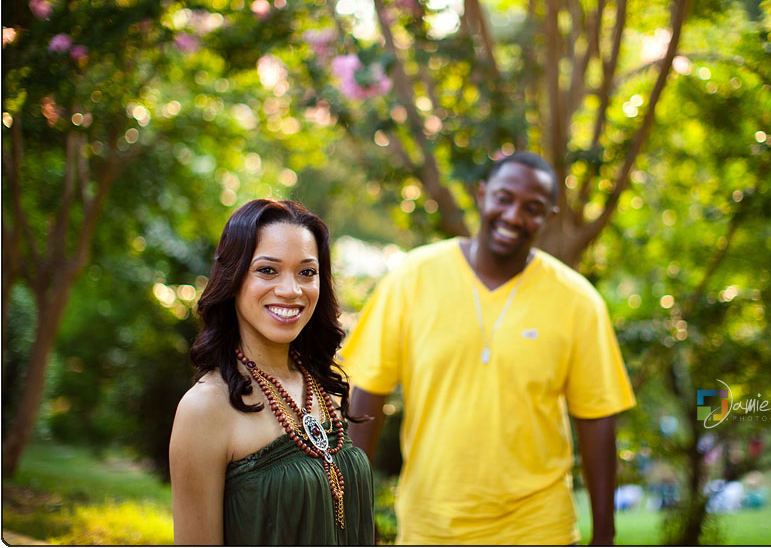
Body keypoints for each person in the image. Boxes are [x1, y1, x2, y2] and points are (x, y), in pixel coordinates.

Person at [341, 152, 636, 545]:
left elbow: (597, 418)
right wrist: (355, 507)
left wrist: (605, 535)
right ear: (481, 195)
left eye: (532, 208)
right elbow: (367, 393)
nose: (513, 216)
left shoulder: (578, 301)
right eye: (504, 198)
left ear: (549, 217)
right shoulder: (411, 278)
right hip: (431, 527)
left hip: (539, 528)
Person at [169, 199, 374, 545]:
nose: (291, 290)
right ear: (233, 279)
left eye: (306, 272)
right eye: (267, 270)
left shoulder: (324, 387)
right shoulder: (205, 408)